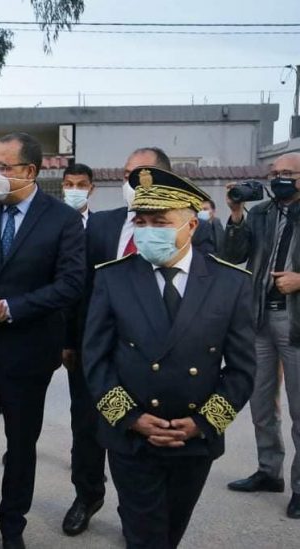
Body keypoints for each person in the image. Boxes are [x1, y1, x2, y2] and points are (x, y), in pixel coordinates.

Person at [83, 166, 255, 549]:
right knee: (145, 536)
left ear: (191, 225)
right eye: (140, 222)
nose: (147, 231)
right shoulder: (113, 278)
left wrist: (203, 423)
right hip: (131, 436)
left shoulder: (230, 284)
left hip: (193, 439)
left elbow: (242, 370)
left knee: (171, 531)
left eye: (159, 222)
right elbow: (95, 360)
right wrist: (131, 418)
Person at [59, 146, 217, 537]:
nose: (131, 182)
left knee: (143, 440)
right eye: (127, 174)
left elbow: (207, 301)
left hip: (157, 359)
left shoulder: (197, 233)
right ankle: (87, 495)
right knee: (88, 429)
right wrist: (70, 341)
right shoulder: (101, 225)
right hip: (98, 352)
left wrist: (208, 419)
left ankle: (137, 513)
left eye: (140, 174)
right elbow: (80, 288)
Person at [0, 132, 85, 549]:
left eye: (3, 167)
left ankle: (12, 527)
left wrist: (9, 308)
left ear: (30, 171)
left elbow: (70, 284)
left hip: (29, 352)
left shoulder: (62, 219)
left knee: (21, 446)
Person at [221, 152, 300, 518]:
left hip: (295, 320)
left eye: (287, 173)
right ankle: (269, 471)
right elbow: (233, 254)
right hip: (259, 317)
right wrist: (236, 213)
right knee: (261, 403)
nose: (279, 178)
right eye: (275, 172)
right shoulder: (262, 213)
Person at [61, 162, 94, 227]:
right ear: (62, 188)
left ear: (91, 189)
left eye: (81, 185)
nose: (74, 190)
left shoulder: (99, 223)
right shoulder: (50, 221)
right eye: (69, 184)